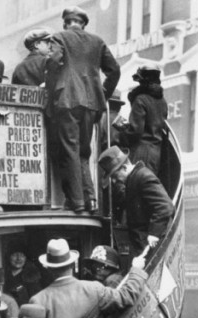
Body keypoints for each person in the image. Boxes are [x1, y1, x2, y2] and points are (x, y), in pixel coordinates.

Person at [46, 5, 120, 214]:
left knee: (69, 149)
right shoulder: (97, 41)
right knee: (83, 152)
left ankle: (77, 202)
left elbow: (53, 61)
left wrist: (53, 89)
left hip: (67, 100)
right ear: (83, 23)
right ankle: (91, 199)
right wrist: (102, 94)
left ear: (66, 22)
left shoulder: (59, 37)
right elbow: (114, 70)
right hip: (91, 103)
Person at [30, 238, 147, 318]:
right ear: (72, 264)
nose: (97, 269)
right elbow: (125, 296)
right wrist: (136, 270)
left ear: (48, 268)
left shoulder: (36, 300)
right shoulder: (94, 289)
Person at [98, 145, 174, 257]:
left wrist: (154, 233)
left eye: (114, 176)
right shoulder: (134, 178)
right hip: (142, 245)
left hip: (150, 246)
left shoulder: (143, 177)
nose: (114, 180)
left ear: (124, 168)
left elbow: (165, 206)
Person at [123, 64, 168, 176]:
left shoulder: (140, 100)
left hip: (141, 152)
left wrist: (122, 131)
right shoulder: (163, 102)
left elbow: (135, 131)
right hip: (156, 153)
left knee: (137, 187)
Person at [3, 240, 42, 307]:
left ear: (26, 258)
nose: (18, 258)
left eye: (22, 255)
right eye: (15, 255)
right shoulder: (4, 274)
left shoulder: (32, 277)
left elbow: (36, 302)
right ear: (9, 257)